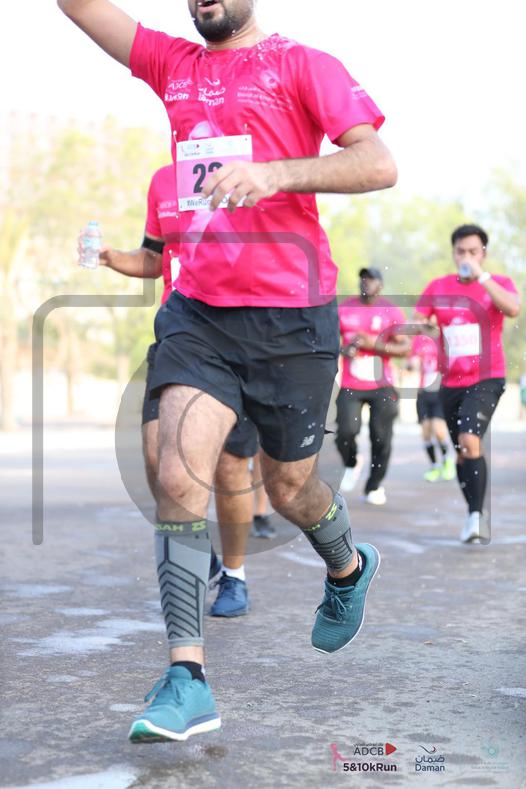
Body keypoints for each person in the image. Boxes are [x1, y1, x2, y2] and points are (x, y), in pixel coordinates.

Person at [58, 0, 397, 743]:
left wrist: (275, 173)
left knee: (290, 487)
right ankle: (187, 679)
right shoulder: (172, 63)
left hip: (292, 317)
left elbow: (377, 163)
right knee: (177, 472)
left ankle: (347, 566)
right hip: (199, 315)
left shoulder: (303, 65)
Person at [95, 162, 266, 616]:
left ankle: (234, 576)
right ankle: (200, 548)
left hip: (242, 333)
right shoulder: (163, 180)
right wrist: (112, 258)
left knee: (230, 468)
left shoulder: (253, 166)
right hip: (180, 332)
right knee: (158, 457)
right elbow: (154, 259)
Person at [415, 224, 520, 544]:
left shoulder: (498, 283)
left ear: (483, 253)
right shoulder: (438, 287)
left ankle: (476, 517)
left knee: (469, 439)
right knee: (462, 450)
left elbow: (513, 308)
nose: (466, 257)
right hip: (451, 382)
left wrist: (481, 277)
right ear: (453, 253)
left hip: (487, 377)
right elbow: (420, 321)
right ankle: (472, 511)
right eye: (461, 251)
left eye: (473, 252)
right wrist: (423, 327)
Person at [336, 268, 410, 504]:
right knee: (345, 432)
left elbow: (405, 348)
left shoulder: (390, 311)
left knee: (381, 437)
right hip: (351, 384)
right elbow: (329, 342)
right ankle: (351, 462)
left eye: (371, 279)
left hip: (382, 385)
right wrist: (345, 349)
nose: (365, 282)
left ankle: (374, 486)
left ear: (380, 285)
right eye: (363, 278)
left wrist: (374, 344)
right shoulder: (344, 308)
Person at [409, 324, 455, 482]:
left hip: (440, 391)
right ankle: (434, 466)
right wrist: (411, 364)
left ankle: (447, 460)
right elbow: (412, 362)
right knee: (426, 432)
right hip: (423, 392)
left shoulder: (445, 337)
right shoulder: (419, 340)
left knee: (439, 430)